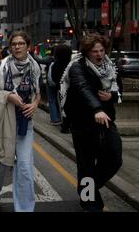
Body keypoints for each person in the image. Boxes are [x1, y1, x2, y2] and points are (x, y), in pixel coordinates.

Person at [60, 34, 123, 212]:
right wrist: (97, 108)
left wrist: (111, 96)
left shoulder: (110, 67)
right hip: (82, 122)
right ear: (87, 52)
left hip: (106, 120)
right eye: (95, 51)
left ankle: (87, 186)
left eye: (102, 50)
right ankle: (89, 202)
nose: (99, 54)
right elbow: (82, 87)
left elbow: (119, 91)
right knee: (86, 163)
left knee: (115, 157)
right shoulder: (77, 67)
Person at [0, 31, 41, 212]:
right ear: (10, 47)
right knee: (0, 164)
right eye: (14, 44)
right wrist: (8, 96)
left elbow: (38, 93)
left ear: (28, 46)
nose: (17, 46)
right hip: (3, 121)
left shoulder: (35, 67)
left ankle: (24, 209)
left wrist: (35, 104)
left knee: (25, 167)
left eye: (21, 43)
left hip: (25, 122)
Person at [46, 44, 72, 133]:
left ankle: (64, 126)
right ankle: (71, 125)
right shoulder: (71, 64)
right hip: (71, 89)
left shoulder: (55, 65)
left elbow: (53, 78)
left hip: (60, 88)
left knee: (63, 107)